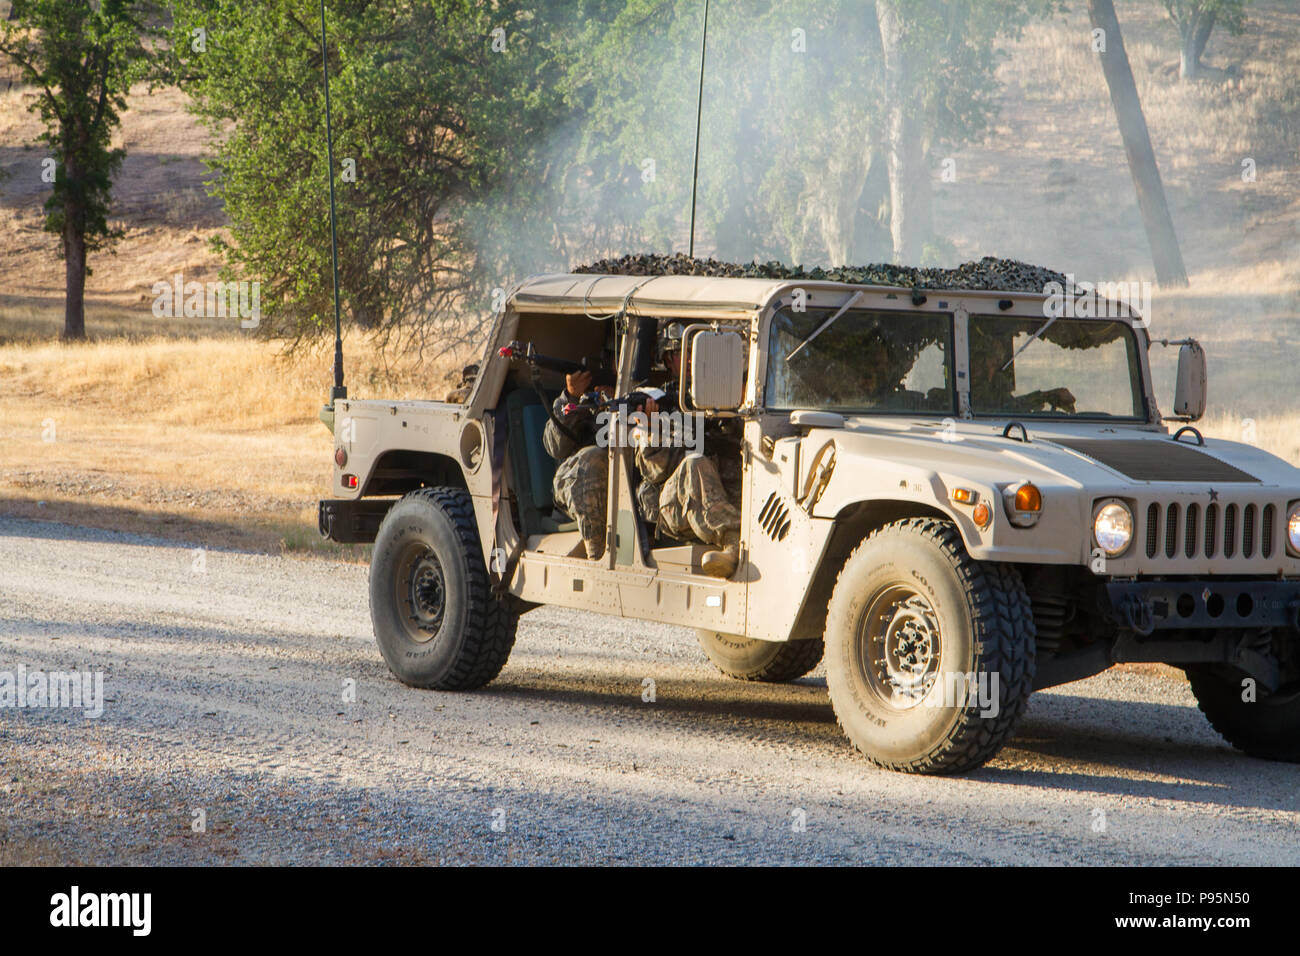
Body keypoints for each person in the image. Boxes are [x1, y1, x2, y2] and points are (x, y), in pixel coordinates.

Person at [634, 323, 744, 579]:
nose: (690, 360)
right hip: (677, 503)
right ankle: (733, 543)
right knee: (695, 463)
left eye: (697, 353)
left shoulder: (728, 393)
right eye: (679, 353)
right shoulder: (658, 402)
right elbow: (654, 470)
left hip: (725, 492)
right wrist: (652, 428)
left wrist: (738, 410)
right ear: (667, 360)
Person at [543, 366, 615, 560]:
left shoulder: (635, 396)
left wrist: (617, 402)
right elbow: (554, 446)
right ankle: (597, 556)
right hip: (577, 482)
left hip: (618, 486)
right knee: (594, 458)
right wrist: (573, 397)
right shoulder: (575, 401)